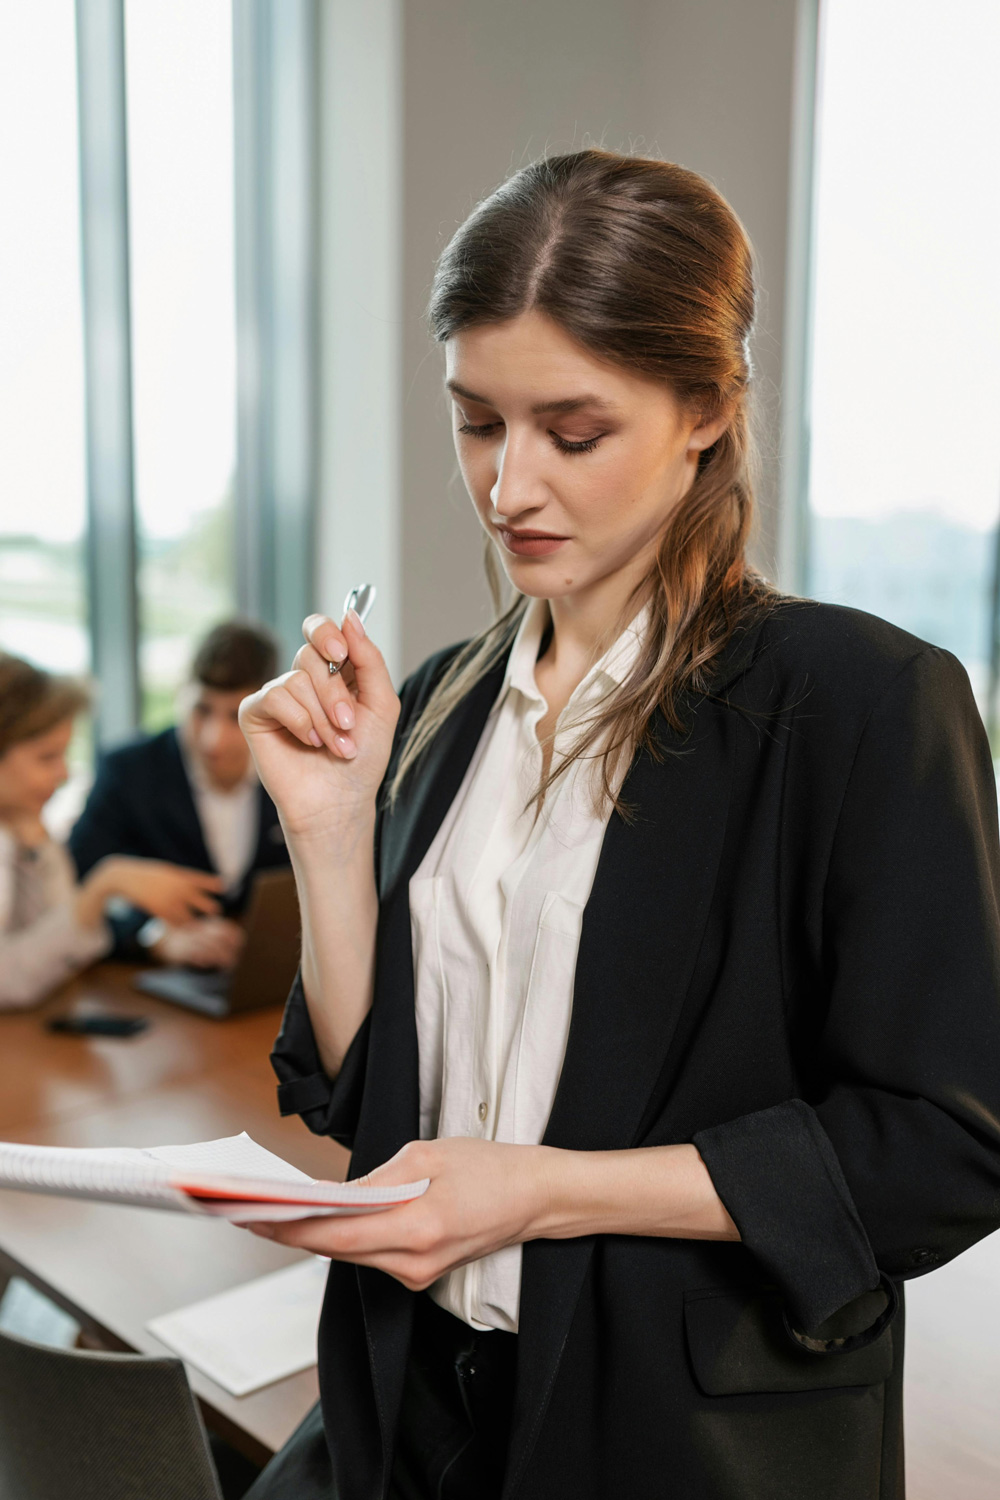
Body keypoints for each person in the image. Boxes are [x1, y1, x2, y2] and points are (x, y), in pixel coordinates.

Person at [238, 151, 1000, 1500]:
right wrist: (331, 825)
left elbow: (942, 1154)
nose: (508, 485)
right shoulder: (442, 699)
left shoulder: (864, 705)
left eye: (571, 432)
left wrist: (545, 1190)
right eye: (478, 423)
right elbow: (357, 1104)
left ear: (705, 406)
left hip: (682, 1447)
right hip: (407, 1415)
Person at [0, 654, 224, 1010]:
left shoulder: (23, 823)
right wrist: (103, 885)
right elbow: (9, 980)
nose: (63, 774)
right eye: (46, 757)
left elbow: (61, 951)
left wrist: (41, 852)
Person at [70, 620, 289, 969]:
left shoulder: (295, 773)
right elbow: (75, 887)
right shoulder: (128, 772)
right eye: (201, 710)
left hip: (265, 976)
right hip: (147, 986)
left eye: (236, 716)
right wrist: (152, 935)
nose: (213, 740)